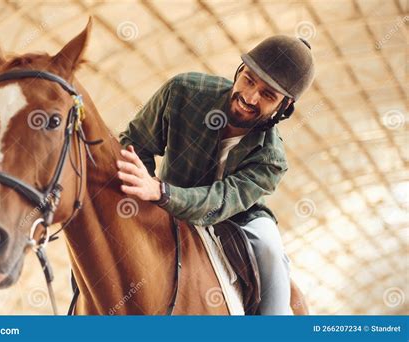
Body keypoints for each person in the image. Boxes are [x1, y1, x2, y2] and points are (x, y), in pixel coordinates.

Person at [117, 35, 315, 315]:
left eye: (268, 95)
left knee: (270, 251)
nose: (249, 97)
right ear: (239, 71)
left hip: (237, 218)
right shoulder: (182, 91)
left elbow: (219, 202)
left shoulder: (272, 159)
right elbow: (135, 141)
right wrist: (142, 186)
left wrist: (161, 192)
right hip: (162, 198)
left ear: (284, 108)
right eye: (248, 80)